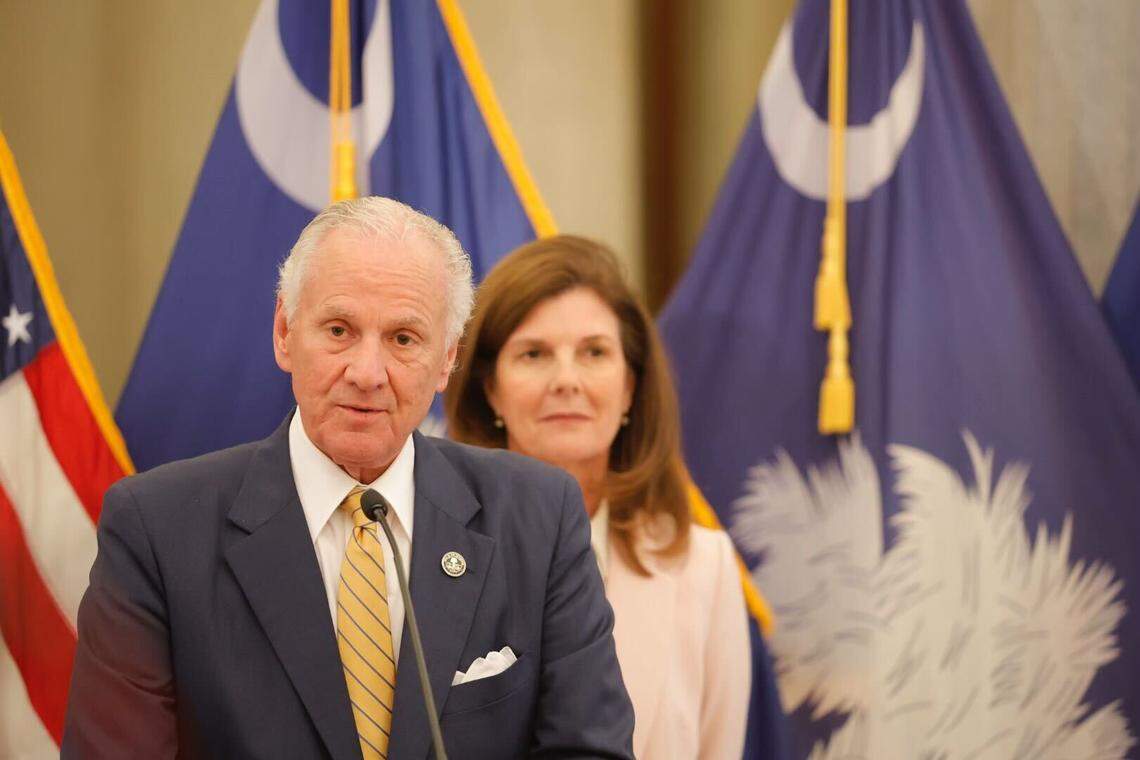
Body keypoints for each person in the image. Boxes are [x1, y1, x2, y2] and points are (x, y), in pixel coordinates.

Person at [62, 199, 635, 759]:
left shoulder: (540, 516)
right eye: (338, 330)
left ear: (446, 360)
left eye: (403, 339)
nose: (366, 373)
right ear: (285, 332)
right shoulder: (157, 530)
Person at [445, 235, 752, 759]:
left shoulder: (703, 567)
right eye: (534, 353)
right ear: (489, 389)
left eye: (594, 352)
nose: (567, 380)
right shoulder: (423, 549)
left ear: (631, 387)